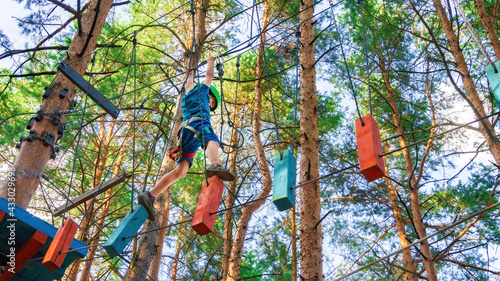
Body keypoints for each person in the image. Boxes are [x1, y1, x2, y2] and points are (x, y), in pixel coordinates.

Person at [138, 57, 235, 221]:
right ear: (209, 95)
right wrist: (210, 62)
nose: (211, 106)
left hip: (185, 133)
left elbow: (188, 84)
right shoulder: (203, 91)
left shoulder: (188, 96)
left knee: (181, 170)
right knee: (212, 139)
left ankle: (150, 195)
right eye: (212, 103)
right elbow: (209, 76)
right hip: (198, 124)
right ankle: (215, 164)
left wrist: (190, 74)